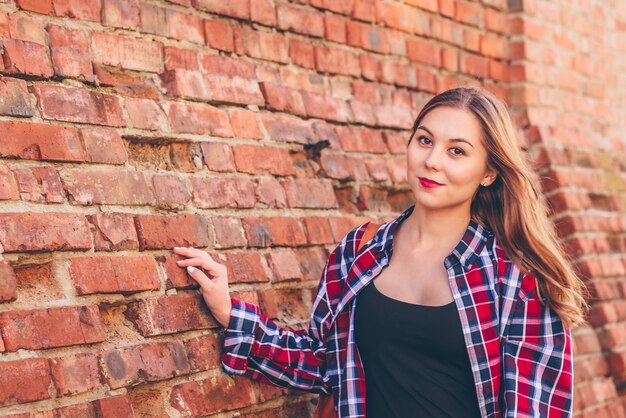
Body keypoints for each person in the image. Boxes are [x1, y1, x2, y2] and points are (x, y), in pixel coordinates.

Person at [173, 86, 589, 417]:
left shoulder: (516, 277)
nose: (431, 161)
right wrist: (230, 312)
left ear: (489, 172)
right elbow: (323, 362)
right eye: (424, 140)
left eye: (456, 150)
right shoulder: (360, 251)